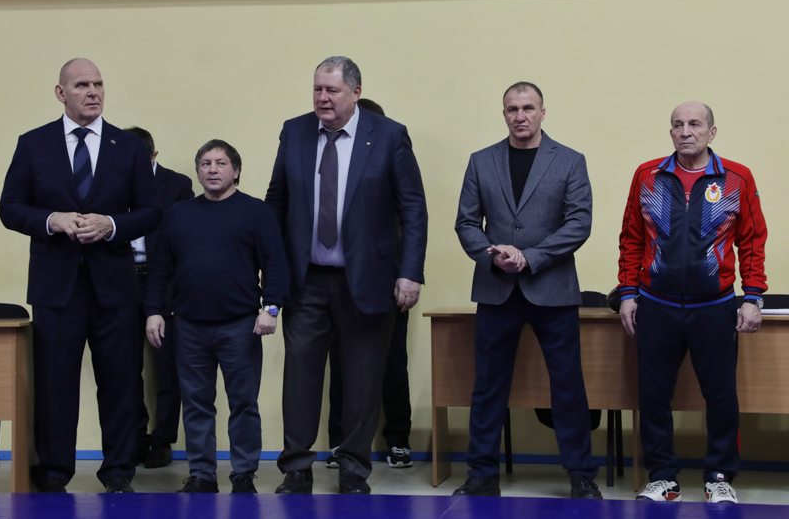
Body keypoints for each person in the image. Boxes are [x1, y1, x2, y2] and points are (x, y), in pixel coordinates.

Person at [266, 56, 429, 494]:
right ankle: (296, 469)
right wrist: (273, 270)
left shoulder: (389, 135)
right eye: (317, 89)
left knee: (362, 376)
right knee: (300, 376)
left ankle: (354, 469)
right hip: (307, 279)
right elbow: (276, 202)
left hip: (369, 278)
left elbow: (413, 208)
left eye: (332, 90)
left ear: (356, 92)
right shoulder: (295, 131)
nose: (322, 98)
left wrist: (410, 273)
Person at [0, 58, 161, 493]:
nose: (93, 92)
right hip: (56, 287)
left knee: (121, 383)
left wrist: (112, 224)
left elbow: (151, 211)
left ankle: (119, 471)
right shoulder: (34, 144)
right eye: (82, 85)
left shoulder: (128, 147)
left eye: (99, 84)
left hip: (115, 287)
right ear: (61, 93)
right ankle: (54, 472)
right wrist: (52, 220)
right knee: (55, 384)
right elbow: (9, 208)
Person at [453, 82, 601, 499]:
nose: (520, 116)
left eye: (528, 108)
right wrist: (492, 254)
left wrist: (529, 257)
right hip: (496, 287)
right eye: (512, 109)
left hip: (552, 288)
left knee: (568, 385)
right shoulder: (481, 161)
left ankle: (581, 475)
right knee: (487, 385)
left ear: (542, 112)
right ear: (504, 114)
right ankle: (481, 475)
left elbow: (579, 223)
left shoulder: (569, 160)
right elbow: (466, 223)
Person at [617, 102, 767, 504]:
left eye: (695, 124)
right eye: (678, 125)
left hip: (715, 308)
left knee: (721, 397)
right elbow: (631, 238)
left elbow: (752, 241)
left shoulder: (736, 178)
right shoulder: (647, 175)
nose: (686, 131)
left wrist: (753, 297)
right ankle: (663, 478)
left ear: (711, 132)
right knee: (653, 396)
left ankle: (720, 477)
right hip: (655, 305)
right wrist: (627, 293)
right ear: (670, 133)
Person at [146, 140, 289, 493]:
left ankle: (243, 474)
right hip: (188, 325)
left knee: (243, 404)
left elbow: (275, 263)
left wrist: (271, 308)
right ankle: (202, 475)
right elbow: (160, 268)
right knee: (196, 404)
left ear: (236, 171)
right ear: (198, 172)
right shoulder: (178, 214)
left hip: (241, 326)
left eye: (221, 163)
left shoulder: (256, 212)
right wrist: (153, 312)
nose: (212, 169)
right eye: (206, 163)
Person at [326, 98, 413, 470]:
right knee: (340, 362)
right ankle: (339, 442)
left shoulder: (394, 162)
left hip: (387, 281)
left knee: (391, 362)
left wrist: (408, 275)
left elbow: (412, 220)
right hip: (338, 280)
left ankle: (398, 440)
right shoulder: (333, 165)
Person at [124, 127, 195, 470]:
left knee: (167, 367)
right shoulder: (110, 182)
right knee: (124, 366)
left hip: (164, 283)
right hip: (121, 283)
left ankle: (163, 438)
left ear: (154, 156)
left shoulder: (177, 185)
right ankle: (135, 437)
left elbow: (185, 237)